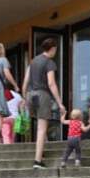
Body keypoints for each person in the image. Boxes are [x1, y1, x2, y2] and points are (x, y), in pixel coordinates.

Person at [22, 37, 66, 168]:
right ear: (52, 49)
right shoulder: (49, 63)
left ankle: (40, 151)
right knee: (42, 128)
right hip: (42, 94)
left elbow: (25, 82)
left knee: (38, 125)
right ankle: (37, 161)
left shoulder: (33, 61)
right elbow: (51, 83)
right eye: (55, 50)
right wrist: (59, 103)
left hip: (30, 94)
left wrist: (24, 99)